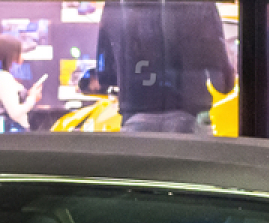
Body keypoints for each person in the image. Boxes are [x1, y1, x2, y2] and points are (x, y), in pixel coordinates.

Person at [91, 0, 233, 134]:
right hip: (191, 117)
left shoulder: (115, 4)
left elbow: (105, 75)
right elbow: (223, 83)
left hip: (136, 114)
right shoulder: (201, 4)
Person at [0, 33, 45, 133]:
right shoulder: (3, 78)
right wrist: (32, 99)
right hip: (12, 137)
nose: (22, 57)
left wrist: (29, 96)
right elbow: (15, 112)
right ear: (11, 55)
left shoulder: (0, 77)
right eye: (20, 53)